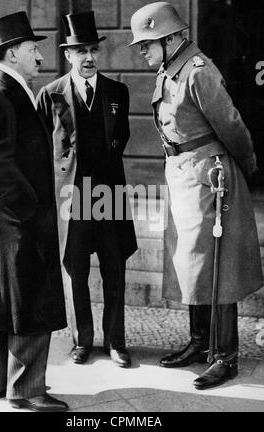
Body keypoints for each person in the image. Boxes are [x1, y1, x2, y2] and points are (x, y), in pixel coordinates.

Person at [129, 2, 263, 389]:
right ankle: (199, 342)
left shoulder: (199, 71)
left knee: (217, 267)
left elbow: (231, 125)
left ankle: (225, 357)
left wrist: (247, 165)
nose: (142, 51)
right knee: (191, 264)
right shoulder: (171, 68)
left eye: (147, 43)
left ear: (171, 38)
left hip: (210, 179)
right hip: (183, 176)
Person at [0, 11, 68, 411]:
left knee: (0, 303)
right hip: (15, 221)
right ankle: (27, 391)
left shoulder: (6, 86)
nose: (40, 57)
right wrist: (31, 209)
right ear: (12, 54)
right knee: (28, 302)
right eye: (32, 50)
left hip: (2, 222)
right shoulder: (0, 92)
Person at [37, 11, 137, 368]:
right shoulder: (50, 95)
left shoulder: (117, 92)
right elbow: (40, 149)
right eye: (81, 51)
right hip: (72, 198)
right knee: (74, 270)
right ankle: (82, 340)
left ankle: (116, 341)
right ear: (68, 55)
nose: (89, 57)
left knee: (115, 267)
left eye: (93, 49)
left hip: (108, 195)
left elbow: (121, 137)